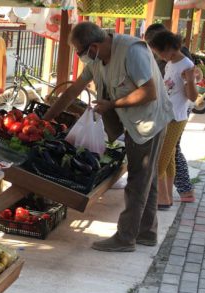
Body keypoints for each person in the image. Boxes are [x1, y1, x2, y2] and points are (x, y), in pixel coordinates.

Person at [44, 22, 173, 252]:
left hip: (148, 122)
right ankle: (147, 232)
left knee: (137, 181)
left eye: (80, 52)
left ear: (93, 46)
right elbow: (74, 89)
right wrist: (48, 117)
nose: (79, 57)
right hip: (133, 122)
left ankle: (126, 237)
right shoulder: (96, 60)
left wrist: (112, 104)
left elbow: (149, 92)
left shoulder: (131, 51)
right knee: (148, 179)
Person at [144, 23, 196, 203]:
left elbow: (193, 96)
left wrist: (190, 80)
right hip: (166, 115)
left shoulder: (186, 65)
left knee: (159, 160)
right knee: (170, 158)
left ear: (168, 49)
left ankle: (158, 199)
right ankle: (167, 197)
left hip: (176, 117)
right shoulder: (171, 63)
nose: (158, 56)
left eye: (158, 53)